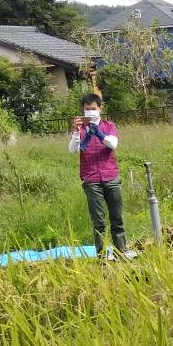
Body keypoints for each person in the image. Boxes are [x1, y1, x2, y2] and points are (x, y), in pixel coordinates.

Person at [70, 94, 125, 255]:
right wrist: (76, 132)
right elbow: (72, 149)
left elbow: (112, 144)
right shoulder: (80, 129)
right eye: (87, 109)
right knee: (98, 221)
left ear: (100, 108)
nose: (90, 112)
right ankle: (101, 255)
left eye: (93, 109)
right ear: (83, 110)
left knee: (117, 219)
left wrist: (99, 134)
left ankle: (121, 252)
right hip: (91, 179)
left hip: (111, 177)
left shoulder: (109, 126)